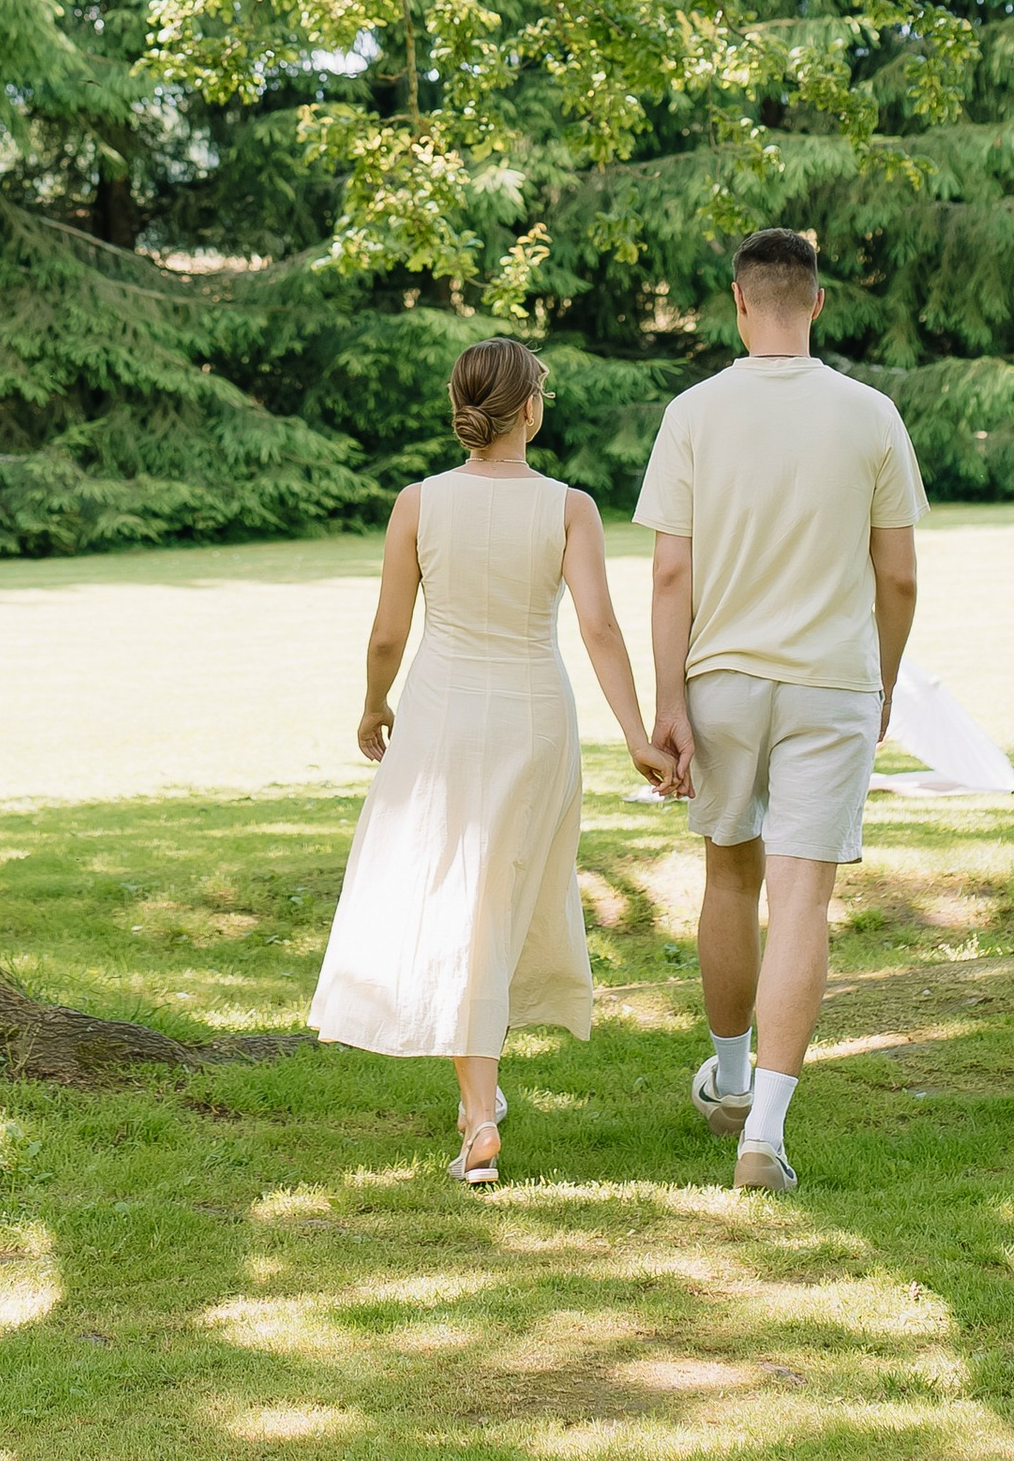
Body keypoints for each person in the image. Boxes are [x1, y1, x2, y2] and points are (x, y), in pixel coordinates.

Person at [309, 334, 680, 1186]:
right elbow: (598, 628)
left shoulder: (418, 502)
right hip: (532, 717)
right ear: (532, 412)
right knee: (500, 891)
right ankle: (482, 1101)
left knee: (458, 894)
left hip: (439, 717)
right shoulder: (568, 506)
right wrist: (634, 734)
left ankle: (480, 1109)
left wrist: (374, 704)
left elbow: (387, 633)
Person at [638, 226, 924, 1195]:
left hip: (719, 680)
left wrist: (665, 701)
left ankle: (724, 1077)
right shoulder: (870, 413)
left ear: (736, 301)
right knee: (802, 898)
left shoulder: (692, 412)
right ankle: (762, 1133)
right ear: (816, 301)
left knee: (729, 876)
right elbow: (899, 575)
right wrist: (882, 681)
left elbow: (670, 569)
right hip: (831, 682)